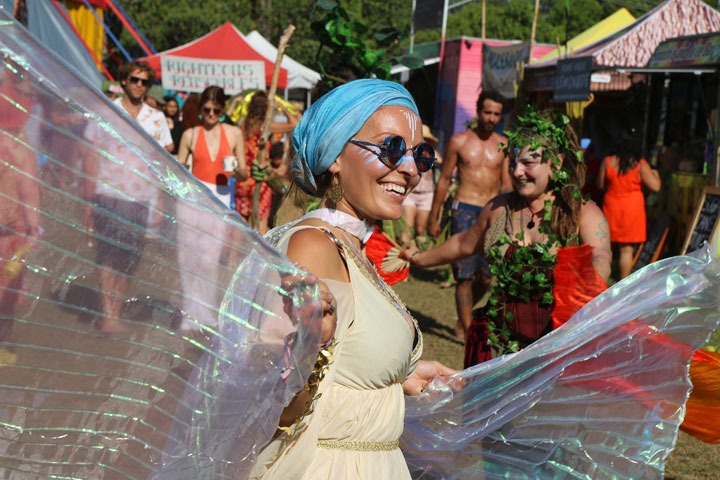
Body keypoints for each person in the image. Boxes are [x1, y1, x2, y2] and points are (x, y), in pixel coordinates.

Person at [252, 79, 458, 479]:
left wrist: (400, 378)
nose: (411, 169)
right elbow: (273, 401)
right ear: (335, 156)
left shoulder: (350, 245)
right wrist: (308, 349)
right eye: (391, 148)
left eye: (421, 154)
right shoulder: (312, 246)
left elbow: (342, 366)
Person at [404, 108, 612, 368]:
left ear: (556, 163)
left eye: (528, 163)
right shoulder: (500, 208)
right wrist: (418, 258)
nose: (517, 171)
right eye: (513, 162)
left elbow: (601, 259)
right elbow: (464, 243)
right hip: (495, 345)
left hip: (553, 350)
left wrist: (588, 289)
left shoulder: (582, 213)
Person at [427, 90, 512, 341]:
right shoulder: (459, 141)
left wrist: (509, 215)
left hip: (493, 211)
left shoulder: (504, 144)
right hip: (463, 208)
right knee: (464, 276)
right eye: (487, 112)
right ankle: (467, 330)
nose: (491, 118)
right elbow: (443, 180)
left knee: (486, 278)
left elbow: (506, 183)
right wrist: (434, 216)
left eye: (496, 114)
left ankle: (465, 319)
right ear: (478, 111)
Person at [597, 132, 661, 279]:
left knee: (607, 249)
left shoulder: (607, 161)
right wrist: (656, 174)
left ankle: (602, 281)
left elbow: (599, 185)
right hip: (632, 210)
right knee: (627, 250)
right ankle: (623, 283)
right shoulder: (640, 164)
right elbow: (655, 186)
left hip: (611, 207)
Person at [236, 91, 300, 233]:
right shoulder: (266, 127)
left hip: (244, 179)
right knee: (261, 224)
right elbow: (296, 124)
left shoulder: (243, 125)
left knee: (242, 227)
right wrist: (283, 108)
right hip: (261, 177)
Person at [177, 86, 248, 207]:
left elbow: (244, 176)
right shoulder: (190, 135)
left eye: (216, 111)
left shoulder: (234, 133)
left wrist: (237, 169)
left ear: (222, 110)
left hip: (222, 196)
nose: (211, 114)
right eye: (207, 110)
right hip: (197, 196)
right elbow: (177, 171)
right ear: (200, 109)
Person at [114, 60, 173, 153]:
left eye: (144, 82)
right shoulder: (108, 110)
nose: (139, 85)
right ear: (124, 80)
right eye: (134, 80)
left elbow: (167, 148)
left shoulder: (157, 116)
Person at [399, 124, 442, 245]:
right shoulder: (411, 152)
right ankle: (402, 254)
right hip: (411, 193)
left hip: (427, 195)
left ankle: (416, 256)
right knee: (407, 227)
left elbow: (439, 160)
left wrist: (428, 150)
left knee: (420, 230)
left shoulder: (432, 154)